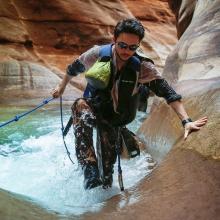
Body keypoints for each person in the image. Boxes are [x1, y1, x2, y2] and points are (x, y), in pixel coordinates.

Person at [52, 18, 207, 190]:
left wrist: (187, 121)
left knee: (106, 178)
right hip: (94, 108)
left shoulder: (143, 67)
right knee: (79, 105)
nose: (126, 51)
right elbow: (73, 69)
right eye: (122, 45)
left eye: (133, 47)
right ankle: (89, 167)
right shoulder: (97, 54)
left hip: (115, 119)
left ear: (139, 45)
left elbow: (168, 93)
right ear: (114, 40)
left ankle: (102, 194)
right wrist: (61, 87)